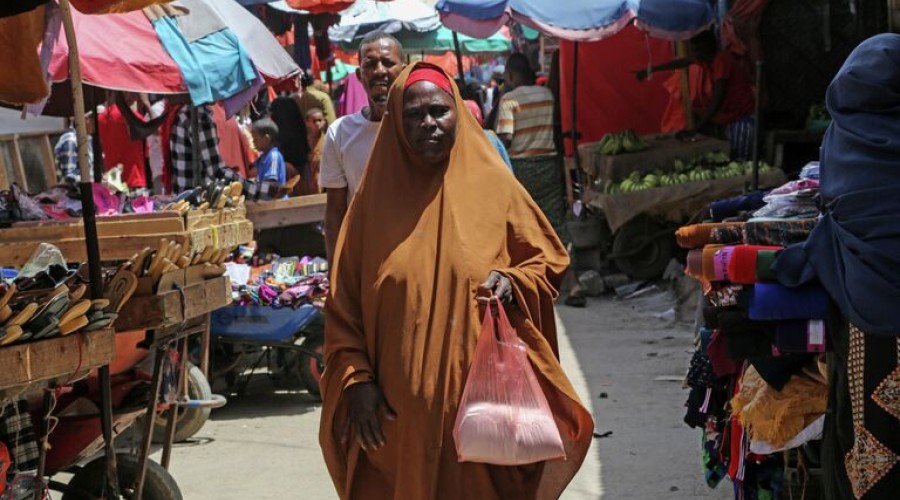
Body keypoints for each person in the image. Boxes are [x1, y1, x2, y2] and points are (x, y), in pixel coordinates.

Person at [319, 62, 593, 500]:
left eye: (438, 111)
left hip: (485, 410)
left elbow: (547, 258)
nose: (428, 123)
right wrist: (356, 379)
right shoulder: (370, 206)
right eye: (413, 114)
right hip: (396, 419)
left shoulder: (494, 184)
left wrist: (512, 280)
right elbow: (343, 300)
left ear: (459, 113)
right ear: (395, 122)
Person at [773, 34, 900, 500]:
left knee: (873, 440)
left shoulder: (843, 142)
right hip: (870, 309)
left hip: (870, 318)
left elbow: (832, 218)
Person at [319, 32, 405, 263]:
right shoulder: (340, 132)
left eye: (388, 63)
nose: (379, 71)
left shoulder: (421, 126)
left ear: (404, 70)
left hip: (416, 256)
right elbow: (335, 211)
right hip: (366, 260)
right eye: (370, 64)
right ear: (359, 75)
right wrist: (335, 271)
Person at [637, 30, 755, 160]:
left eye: (697, 50)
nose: (694, 54)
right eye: (693, 50)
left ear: (708, 48)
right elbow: (682, 62)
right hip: (727, 118)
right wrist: (651, 70)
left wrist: (696, 127)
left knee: (739, 159)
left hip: (741, 118)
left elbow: (717, 99)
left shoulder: (721, 61)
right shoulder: (706, 59)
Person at [494, 53, 567, 242]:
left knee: (525, 220)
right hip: (549, 165)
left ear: (510, 75)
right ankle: (565, 263)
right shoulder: (547, 94)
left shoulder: (509, 100)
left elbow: (506, 139)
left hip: (521, 168)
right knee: (553, 219)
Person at [97, 92, 148, 192]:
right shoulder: (135, 118)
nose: (136, 96)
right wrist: (146, 103)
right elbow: (155, 133)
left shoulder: (102, 118)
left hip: (113, 179)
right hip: (134, 179)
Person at [54, 113, 94, 185]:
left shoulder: (88, 139)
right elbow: (68, 177)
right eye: (92, 118)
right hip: (75, 192)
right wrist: (92, 181)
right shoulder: (70, 140)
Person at [250, 118, 286, 186]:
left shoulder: (273, 156)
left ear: (267, 139)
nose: (253, 142)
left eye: (255, 139)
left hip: (276, 196)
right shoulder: (262, 157)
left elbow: (271, 183)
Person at [306, 107, 327, 192]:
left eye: (320, 120)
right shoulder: (304, 142)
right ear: (307, 123)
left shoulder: (328, 141)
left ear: (324, 122)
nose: (317, 123)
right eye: (314, 121)